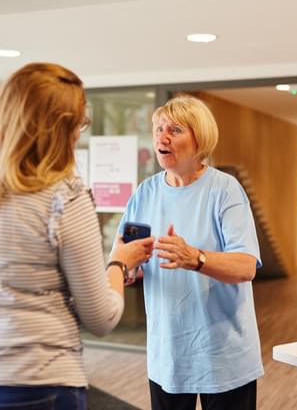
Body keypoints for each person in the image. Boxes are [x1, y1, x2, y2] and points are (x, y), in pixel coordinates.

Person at [0, 63, 154, 410]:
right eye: (80, 123)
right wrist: (118, 263)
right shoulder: (65, 197)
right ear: (62, 127)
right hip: (41, 381)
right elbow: (100, 318)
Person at [117, 95, 264, 410]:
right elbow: (125, 255)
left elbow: (246, 265)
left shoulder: (225, 190)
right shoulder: (144, 194)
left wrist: (196, 258)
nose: (162, 137)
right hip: (168, 353)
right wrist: (128, 269)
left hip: (224, 354)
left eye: (175, 130)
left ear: (200, 139)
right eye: (158, 129)